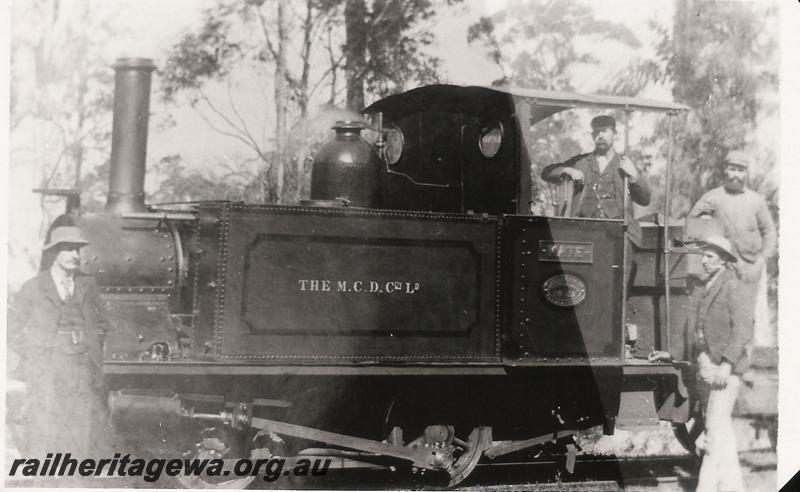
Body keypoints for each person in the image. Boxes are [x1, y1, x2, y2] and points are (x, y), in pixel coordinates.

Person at [7, 226, 112, 469]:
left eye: (77, 249)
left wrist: (89, 345)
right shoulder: (33, 287)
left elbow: (103, 322)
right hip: (47, 365)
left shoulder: (88, 284)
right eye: (68, 249)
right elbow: (10, 327)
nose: (75, 255)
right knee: (45, 426)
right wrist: (33, 351)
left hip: (81, 365)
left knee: (80, 425)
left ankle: (75, 477)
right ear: (54, 252)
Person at [688, 150, 777, 346]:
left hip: (749, 268)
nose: (736, 175)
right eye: (732, 169)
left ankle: (744, 369)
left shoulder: (756, 200)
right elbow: (691, 223)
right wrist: (705, 227)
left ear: (746, 173)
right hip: (722, 268)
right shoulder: (713, 197)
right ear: (724, 170)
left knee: (747, 316)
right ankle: (721, 362)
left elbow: (770, 234)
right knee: (719, 315)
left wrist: (760, 261)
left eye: (741, 170)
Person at [687, 236, 752, 492]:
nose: (703, 260)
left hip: (723, 369)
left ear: (724, 260)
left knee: (714, 434)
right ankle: (732, 487)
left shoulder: (733, 286)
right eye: (703, 256)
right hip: (706, 366)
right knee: (720, 432)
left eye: (710, 256)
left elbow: (743, 329)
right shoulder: (707, 286)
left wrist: (726, 365)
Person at [540, 115, 651, 245]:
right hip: (584, 232)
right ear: (592, 135)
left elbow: (645, 199)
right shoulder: (581, 162)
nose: (600, 135)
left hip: (620, 234)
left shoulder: (626, 164)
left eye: (605, 131)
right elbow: (547, 172)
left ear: (614, 133)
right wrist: (567, 170)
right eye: (597, 132)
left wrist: (633, 175)